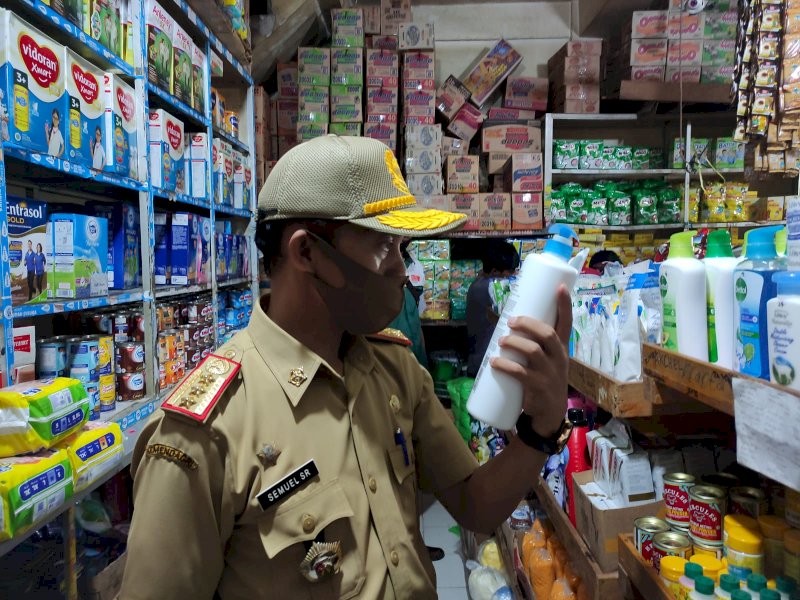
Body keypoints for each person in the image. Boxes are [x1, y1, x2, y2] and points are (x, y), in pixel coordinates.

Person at [120, 136, 571, 599]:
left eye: (402, 248)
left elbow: (476, 505)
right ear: (306, 252)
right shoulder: (206, 432)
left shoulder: (394, 370)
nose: (401, 270)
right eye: (382, 246)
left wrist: (542, 428)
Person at [466, 240, 520, 377]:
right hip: (485, 365)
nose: (512, 277)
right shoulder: (488, 288)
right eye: (510, 274)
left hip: (483, 361)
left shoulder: (478, 284)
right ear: (495, 271)